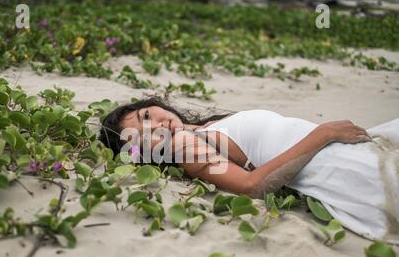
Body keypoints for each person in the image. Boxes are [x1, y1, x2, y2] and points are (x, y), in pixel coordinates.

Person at [99, 97, 399, 241]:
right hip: (336, 165)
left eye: (148, 114)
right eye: (146, 131)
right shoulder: (183, 146)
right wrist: (323, 134)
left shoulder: (201, 128)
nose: (158, 123)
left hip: (344, 152)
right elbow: (251, 186)